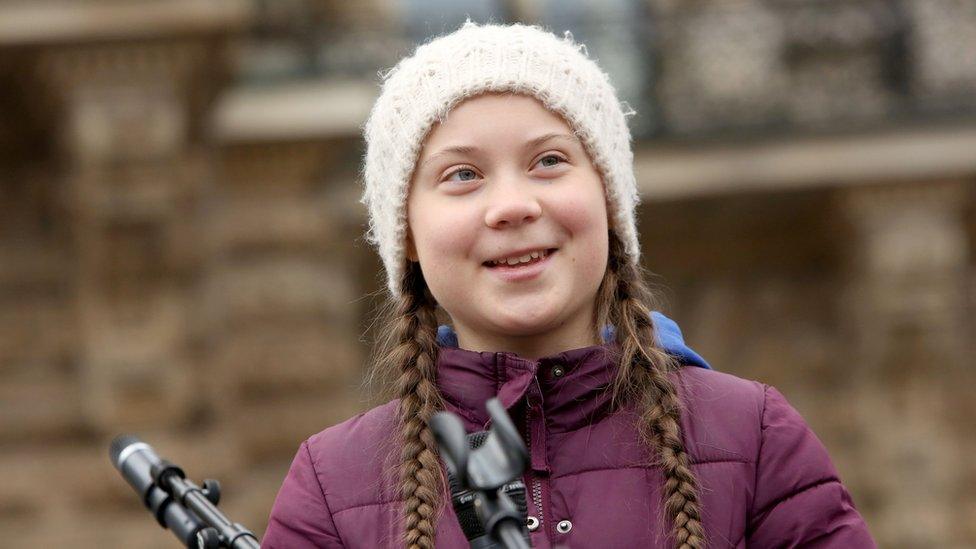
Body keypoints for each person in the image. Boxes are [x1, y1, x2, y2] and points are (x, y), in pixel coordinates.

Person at [262, 21, 874, 548]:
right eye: (463, 174)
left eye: (549, 161)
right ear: (409, 237)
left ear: (608, 199)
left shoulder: (754, 435)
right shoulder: (333, 484)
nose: (512, 205)